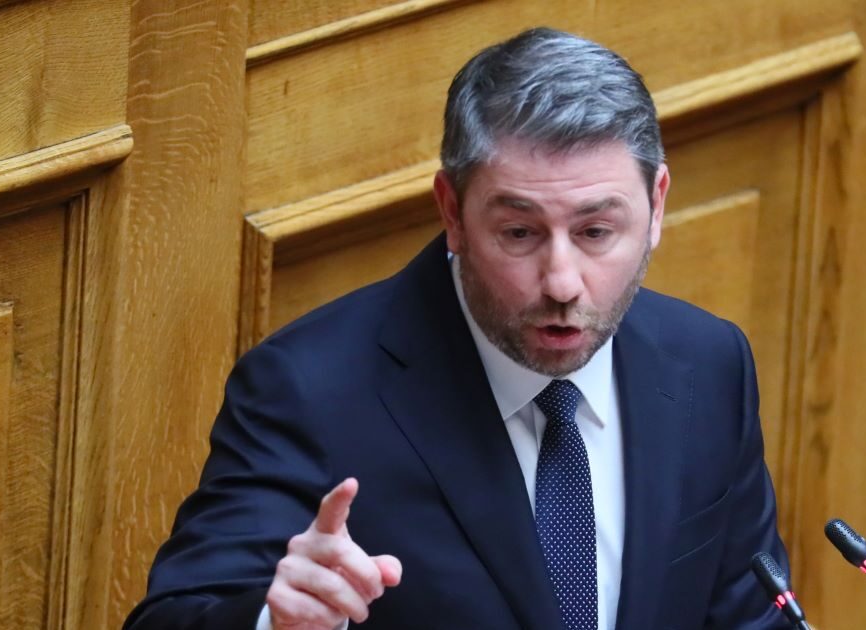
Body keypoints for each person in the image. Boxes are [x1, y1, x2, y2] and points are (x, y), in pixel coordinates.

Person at [124, 27, 790, 630]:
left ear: (657, 204)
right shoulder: (309, 391)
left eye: (595, 232)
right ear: (452, 211)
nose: (562, 283)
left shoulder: (708, 363)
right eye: (519, 233)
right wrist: (275, 622)